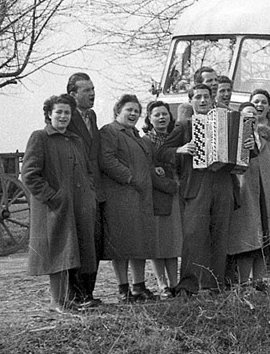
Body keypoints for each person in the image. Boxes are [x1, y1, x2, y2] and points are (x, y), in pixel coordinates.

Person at [21, 94, 98, 312]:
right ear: (48, 114)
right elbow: (29, 175)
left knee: (73, 251)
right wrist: (53, 197)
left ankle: (69, 298)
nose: (63, 116)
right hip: (54, 208)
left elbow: (88, 171)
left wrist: (88, 193)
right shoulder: (40, 137)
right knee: (57, 252)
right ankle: (57, 301)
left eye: (67, 113)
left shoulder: (76, 140)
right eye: (59, 112)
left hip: (78, 206)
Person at [171, 82, 238, 294]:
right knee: (193, 236)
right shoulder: (184, 126)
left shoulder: (227, 121)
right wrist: (180, 149)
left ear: (212, 99)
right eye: (198, 97)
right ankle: (188, 285)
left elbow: (246, 153)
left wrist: (248, 146)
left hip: (223, 183)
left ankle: (214, 283)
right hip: (196, 185)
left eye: (206, 97)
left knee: (220, 234)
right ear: (191, 101)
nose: (202, 101)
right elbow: (162, 151)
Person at [98, 94, 158, 302]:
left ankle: (139, 286)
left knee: (140, 242)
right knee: (122, 244)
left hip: (140, 197)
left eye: (136, 111)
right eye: (129, 110)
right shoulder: (110, 131)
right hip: (120, 196)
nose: (133, 114)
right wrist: (130, 177)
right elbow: (106, 159)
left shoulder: (136, 135)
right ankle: (123, 289)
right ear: (118, 111)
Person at [227, 91, 270, 288]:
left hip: (268, 193)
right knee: (248, 238)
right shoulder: (235, 138)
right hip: (248, 193)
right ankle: (244, 282)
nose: (251, 118)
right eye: (246, 115)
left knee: (267, 236)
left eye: (253, 114)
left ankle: (260, 280)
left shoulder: (267, 137)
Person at [64, 72, 104, 307]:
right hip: (77, 190)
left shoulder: (93, 116)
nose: (92, 93)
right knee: (80, 243)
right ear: (73, 94)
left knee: (95, 243)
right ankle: (77, 295)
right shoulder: (67, 117)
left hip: (95, 189)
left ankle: (88, 293)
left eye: (92, 89)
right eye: (86, 90)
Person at [143, 99, 184, 296]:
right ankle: (162, 284)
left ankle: (175, 282)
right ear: (149, 119)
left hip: (175, 193)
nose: (161, 117)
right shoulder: (146, 141)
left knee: (172, 239)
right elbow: (148, 168)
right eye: (157, 114)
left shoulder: (176, 136)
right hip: (157, 194)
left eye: (164, 114)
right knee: (158, 241)